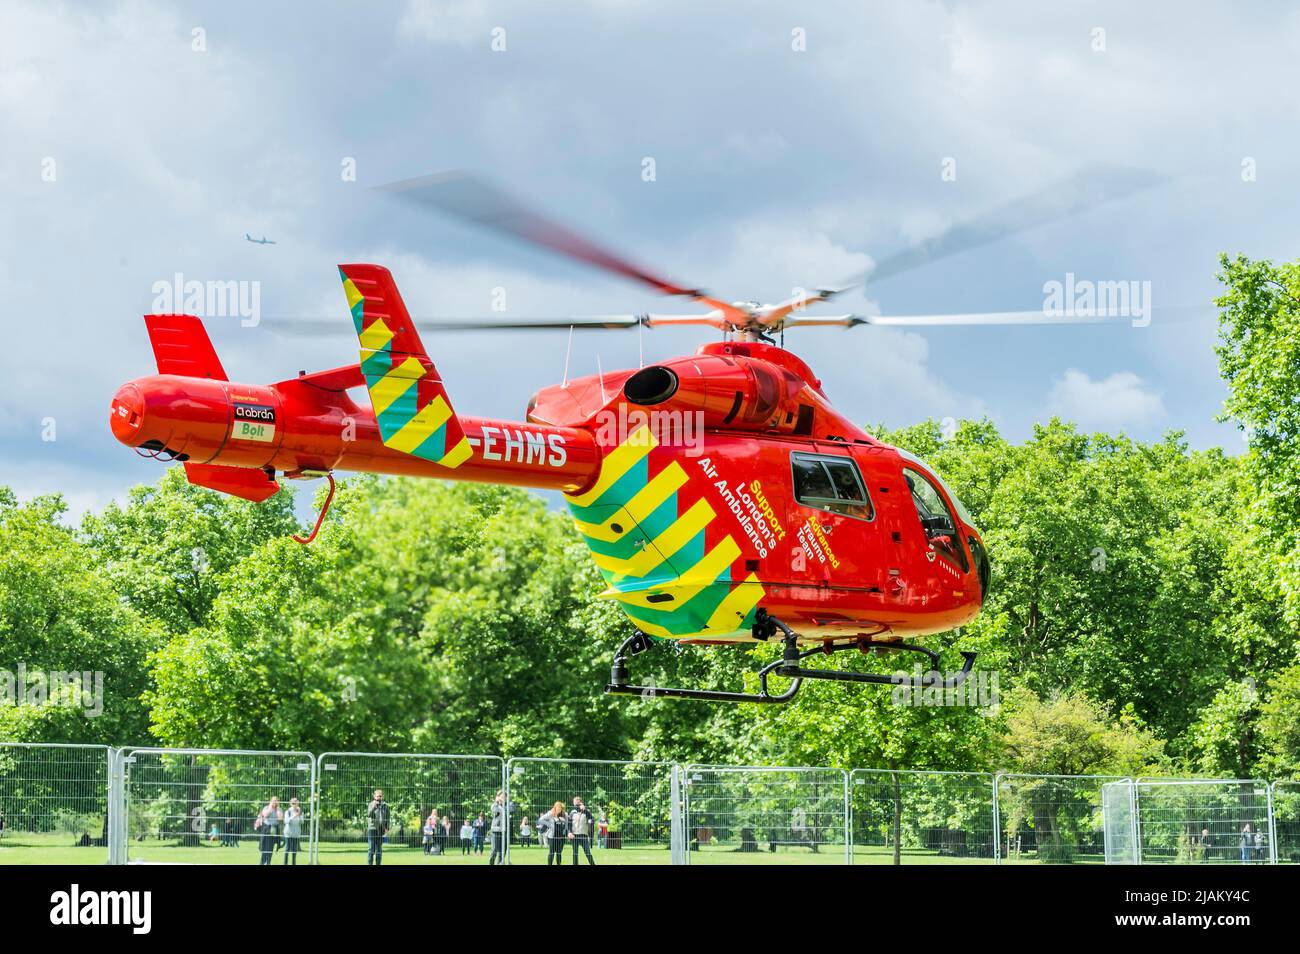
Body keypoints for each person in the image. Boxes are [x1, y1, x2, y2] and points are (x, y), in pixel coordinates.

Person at [255, 796, 283, 866]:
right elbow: (265, 815)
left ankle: (268, 862)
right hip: (266, 829)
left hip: (274, 829)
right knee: (264, 847)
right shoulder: (266, 807)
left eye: (276, 801)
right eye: (273, 800)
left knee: (271, 848)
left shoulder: (279, 809)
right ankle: (262, 862)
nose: (275, 802)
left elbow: (280, 818)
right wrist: (270, 808)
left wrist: (277, 809)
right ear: (271, 801)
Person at [568, 796, 596, 865]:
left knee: (587, 852)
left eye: (577, 803)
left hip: (583, 835)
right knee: (575, 853)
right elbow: (568, 824)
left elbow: (592, 820)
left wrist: (585, 810)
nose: (575, 805)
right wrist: (569, 832)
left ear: (580, 802)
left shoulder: (586, 812)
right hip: (574, 835)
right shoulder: (572, 812)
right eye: (574, 803)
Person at [367, 789, 390, 866]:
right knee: (371, 849)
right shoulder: (371, 804)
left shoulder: (385, 806)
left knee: (379, 850)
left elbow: (387, 817)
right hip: (372, 829)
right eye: (377, 796)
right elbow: (369, 814)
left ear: (382, 797)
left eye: (380, 796)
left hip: (381, 829)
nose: (378, 798)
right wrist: (374, 806)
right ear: (374, 796)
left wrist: (387, 828)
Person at [543, 801, 568, 865]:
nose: (559, 809)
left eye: (560, 808)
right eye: (557, 807)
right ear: (555, 808)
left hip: (561, 837)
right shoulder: (551, 814)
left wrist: (566, 833)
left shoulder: (565, 815)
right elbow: (542, 819)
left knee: (559, 853)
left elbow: (566, 825)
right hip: (552, 837)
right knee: (551, 853)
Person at [283, 797, 304, 865]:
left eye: (295, 803)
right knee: (287, 849)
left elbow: (302, 822)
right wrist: (294, 816)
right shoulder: (288, 812)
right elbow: (286, 821)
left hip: (296, 834)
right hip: (288, 833)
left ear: (297, 803)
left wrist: (299, 815)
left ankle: (293, 863)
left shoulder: (300, 811)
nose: (294, 804)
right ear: (290, 804)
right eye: (293, 803)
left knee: (294, 850)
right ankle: (285, 863)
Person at [489, 791, 506, 865]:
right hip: (496, 831)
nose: (503, 798)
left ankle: (500, 863)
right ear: (498, 797)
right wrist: (496, 802)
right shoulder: (494, 805)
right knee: (494, 850)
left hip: (504, 831)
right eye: (502, 796)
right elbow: (494, 810)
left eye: (505, 797)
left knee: (503, 851)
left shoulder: (506, 806)